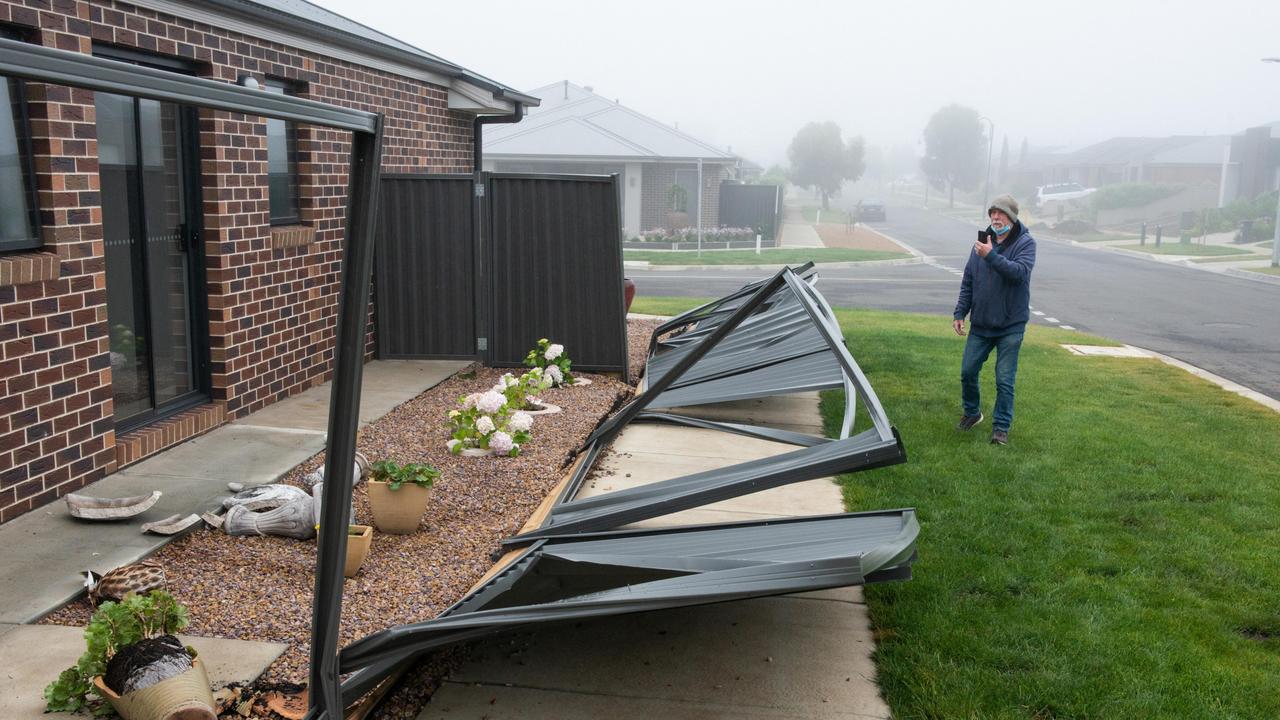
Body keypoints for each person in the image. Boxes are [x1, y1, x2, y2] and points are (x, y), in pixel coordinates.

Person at [952, 195, 1037, 445]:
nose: (995, 218)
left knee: (1004, 379)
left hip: (1011, 325)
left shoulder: (1025, 243)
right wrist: (960, 312)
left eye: (1000, 214)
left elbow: (1019, 273)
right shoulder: (981, 242)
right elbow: (968, 279)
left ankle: (1000, 427)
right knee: (967, 372)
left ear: (1012, 217)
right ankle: (972, 413)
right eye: (992, 214)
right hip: (981, 323)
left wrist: (991, 256)